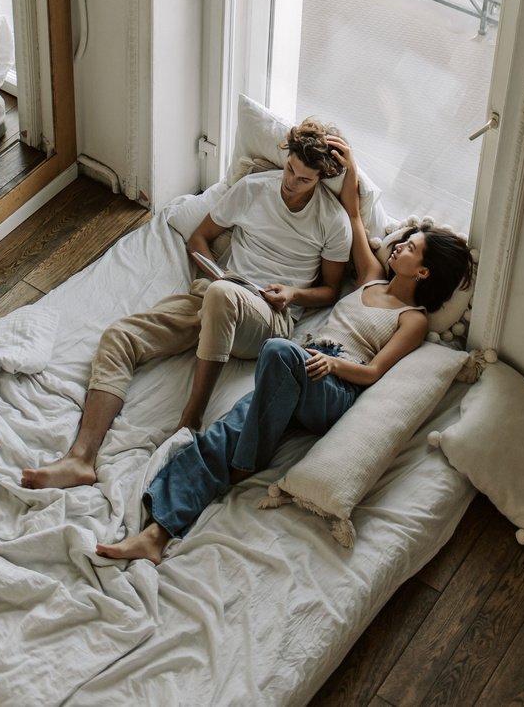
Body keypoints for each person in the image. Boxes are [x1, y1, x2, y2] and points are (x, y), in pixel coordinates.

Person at [95, 140, 473, 564]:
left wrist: (334, 363)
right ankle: (157, 533)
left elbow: (374, 373)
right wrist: (350, 164)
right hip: (299, 369)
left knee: (276, 350)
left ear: (422, 272)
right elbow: (352, 215)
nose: (399, 244)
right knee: (220, 434)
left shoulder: (413, 318)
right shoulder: (370, 277)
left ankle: (249, 460)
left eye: (410, 247)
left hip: (334, 387)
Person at [20, 119, 353, 491]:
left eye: (304, 179)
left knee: (222, 297)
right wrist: (217, 275)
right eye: (290, 169)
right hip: (220, 293)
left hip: (270, 317)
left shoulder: (332, 221)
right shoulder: (254, 189)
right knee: (119, 337)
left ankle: (189, 419)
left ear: (321, 178)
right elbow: (199, 238)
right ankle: (81, 457)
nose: (291, 182)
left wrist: (292, 295)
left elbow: (331, 290)